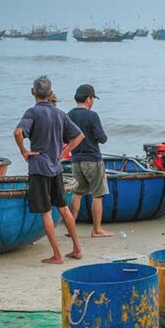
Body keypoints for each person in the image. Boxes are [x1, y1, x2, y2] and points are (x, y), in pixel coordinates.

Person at [13, 75, 84, 264]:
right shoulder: (60, 113)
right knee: (63, 208)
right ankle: (77, 248)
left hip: (39, 167)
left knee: (45, 212)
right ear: (50, 93)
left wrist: (24, 151)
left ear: (33, 92)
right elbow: (79, 136)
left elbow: (18, 132)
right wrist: (64, 152)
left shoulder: (33, 112)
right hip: (56, 167)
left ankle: (57, 255)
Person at [67, 84, 113, 238]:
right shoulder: (92, 116)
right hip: (92, 159)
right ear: (88, 98)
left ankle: (70, 226)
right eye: (92, 98)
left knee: (77, 193)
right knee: (98, 195)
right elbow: (102, 138)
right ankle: (97, 229)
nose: (92, 101)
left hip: (76, 160)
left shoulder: (69, 115)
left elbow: (64, 138)